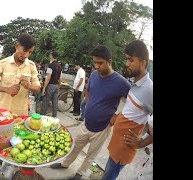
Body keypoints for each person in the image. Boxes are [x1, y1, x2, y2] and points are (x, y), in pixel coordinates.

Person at [50, 45, 131, 180]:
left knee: (91, 155)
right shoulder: (94, 74)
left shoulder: (121, 82)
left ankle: (79, 174)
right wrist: (88, 103)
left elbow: (134, 103)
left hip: (102, 128)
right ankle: (65, 164)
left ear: (109, 62)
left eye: (100, 63)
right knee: (75, 146)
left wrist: (118, 117)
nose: (96, 66)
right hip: (86, 123)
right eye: (95, 62)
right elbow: (88, 90)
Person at [102, 40, 153, 180]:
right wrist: (118, 117)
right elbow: (132, 108)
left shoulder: (150, 90)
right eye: (126, 59)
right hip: (117, 144)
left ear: (143, 62)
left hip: (124, 148)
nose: (126, 64)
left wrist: (141, 143)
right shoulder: (135, 83)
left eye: (131, 60)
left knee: (108, 177)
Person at [0, 33, 41, 116]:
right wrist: (7, 89)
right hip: (3, 113)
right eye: (24, 51)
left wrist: (28, 86)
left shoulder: (31, 66)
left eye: (30, 52)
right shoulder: (3, 63)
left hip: (22, 113)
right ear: (17, 46)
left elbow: (37, 89)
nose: (26, 55)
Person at [41, 51, 62, 117]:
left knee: (45, 102)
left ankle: (41, 117)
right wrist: (59, 86)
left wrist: (44, 88)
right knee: (55, 103)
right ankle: (54, 118)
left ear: (52, 56)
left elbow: (48, 78)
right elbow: (60, 78)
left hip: (50, 86)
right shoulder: (59, 66)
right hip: (56, 86)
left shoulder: (50, 65)